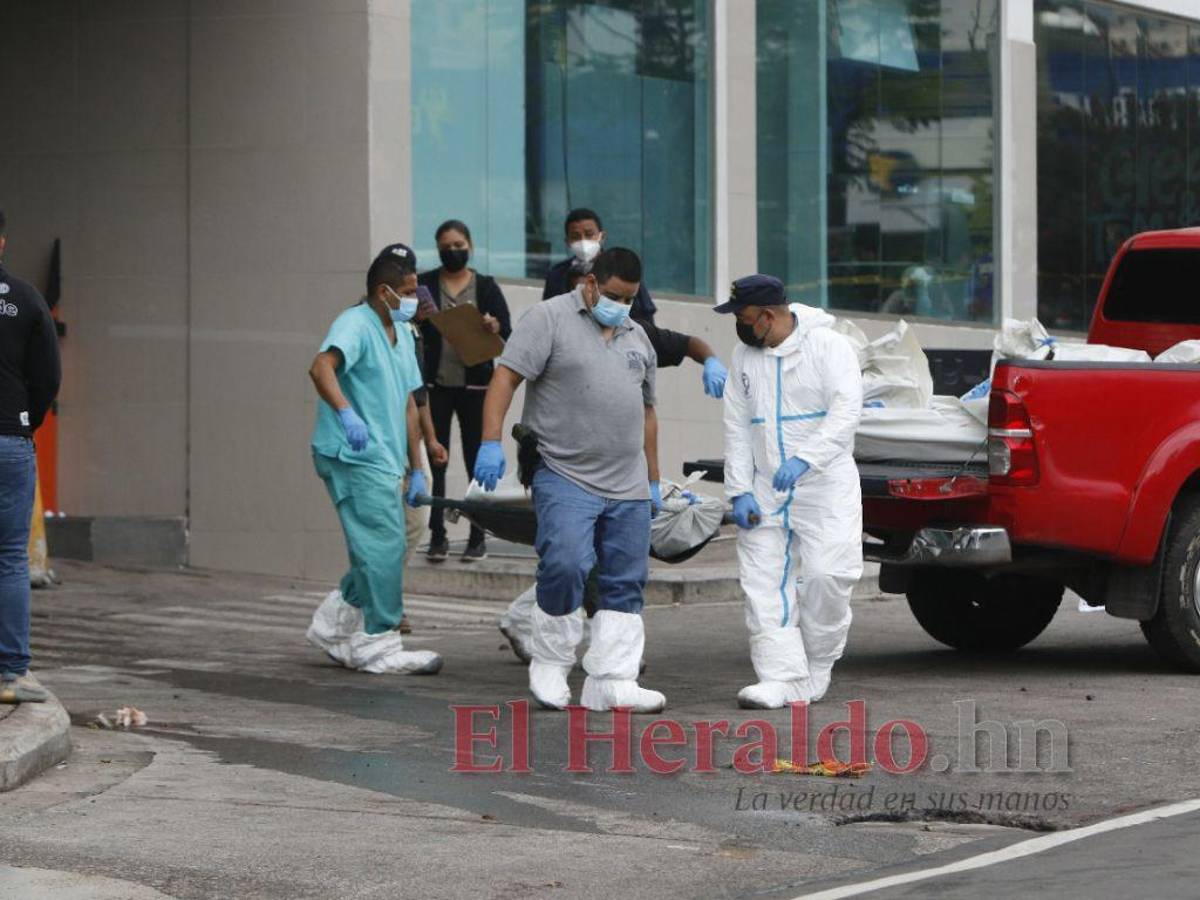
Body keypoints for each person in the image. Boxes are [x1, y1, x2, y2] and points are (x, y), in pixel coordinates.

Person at [475, 247, 666, 713]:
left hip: (628, 484)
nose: (623, 306)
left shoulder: (637, 336)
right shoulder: (548, 319)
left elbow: (647, 412)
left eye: (632, 298)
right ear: (592, 283)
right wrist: (489, 440)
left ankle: (613, 679)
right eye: (616, 295)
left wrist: (654, 479)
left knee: (625, 580)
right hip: (565, 473)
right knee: (565, 562)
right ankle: (551, 661)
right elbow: (505, 378)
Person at [497, 314, 728, 663]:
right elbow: (511, 373)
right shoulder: (560, 329)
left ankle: (611, 653)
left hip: (621, 477)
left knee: (610, 564)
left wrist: (710, 360)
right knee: (572, 560)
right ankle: (551, 643)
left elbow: (684, 350)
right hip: (567, 471)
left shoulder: (638, 335)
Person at [714, 274, 864, 709]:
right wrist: (739, 490)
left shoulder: (828, 346)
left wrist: (808, 457)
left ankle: (817, 666)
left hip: (825, 484)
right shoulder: (745, 357)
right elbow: (738, 427)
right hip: (766, 486)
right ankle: (780, 676)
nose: (739, 328)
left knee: (827, 576)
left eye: (743, 319)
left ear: (768, 316)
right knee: (762, 582)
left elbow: (846, 408)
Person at [305, 243, 441, 675]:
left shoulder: (401, 335)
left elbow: (407, 404)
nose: (413, 299)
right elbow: (321, 367)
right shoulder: (356, 324)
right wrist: (346, 412)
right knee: (383, 545)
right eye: (407, 291)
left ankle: (334, 624)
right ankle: (378, 643)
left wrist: (417, 469)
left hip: (385, 457)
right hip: (353, 453)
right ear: (384, 292)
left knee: (381, 546)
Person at [418, 220, 511, 563]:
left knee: (477, 462)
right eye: (446, 245)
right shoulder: (426, 284)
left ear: (469, 246)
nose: (452, 250)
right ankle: (437, 534)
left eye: (459, 244)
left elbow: (506, 331)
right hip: (437, 384)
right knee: (437, 457)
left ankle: (476, 535)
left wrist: (493, 325)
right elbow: (410, 325)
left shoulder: (485, 286)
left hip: (476, 385)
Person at [0, 209, 61, 704]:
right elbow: (49, 377)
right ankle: (11, 675)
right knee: (9, 559)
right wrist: (27, 420)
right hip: (9, 442)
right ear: (1, 244)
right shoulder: (25, 298)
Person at [542, 208, 657, 324]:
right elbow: (547, 317)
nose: (583, 241)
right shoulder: (556, 275)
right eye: (576, 236)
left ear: (602, 236)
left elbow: (645, 319)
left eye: (589, 234)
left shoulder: (622, 267)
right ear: (567, 241)